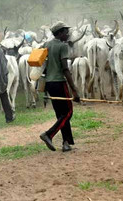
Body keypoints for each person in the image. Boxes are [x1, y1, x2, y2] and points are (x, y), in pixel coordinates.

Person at [39, 21, 80, 152]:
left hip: (49, 84)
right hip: (59, 83)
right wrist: (74, 90)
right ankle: (49, 134)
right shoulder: (63, 46)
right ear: (60, 33)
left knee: (60, 115)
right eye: (66, 31)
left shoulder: (46, 44)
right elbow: (65, 69)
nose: (68, 34)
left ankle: (66, 143)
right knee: (68, 112)